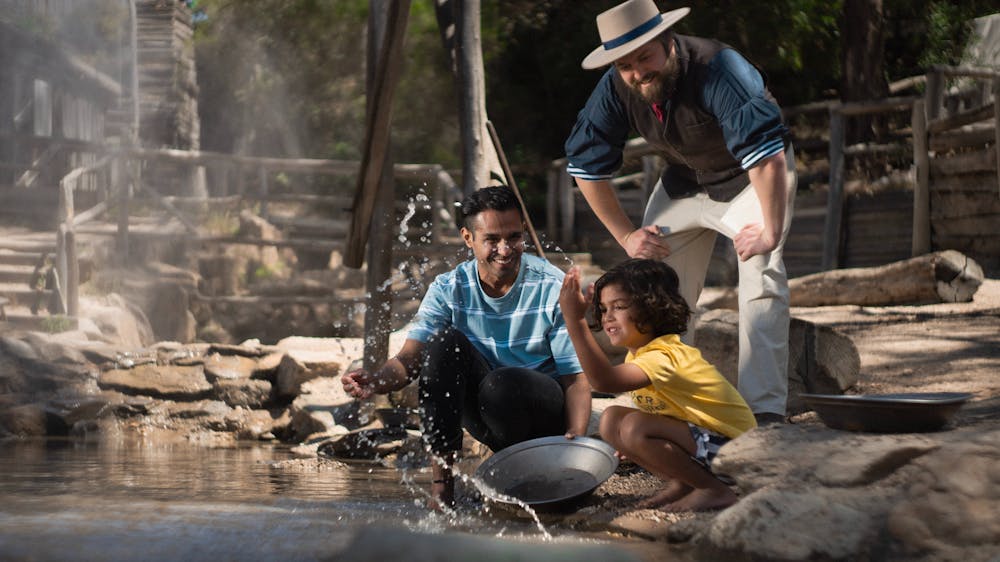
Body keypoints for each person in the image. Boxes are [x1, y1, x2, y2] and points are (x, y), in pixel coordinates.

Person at [564, 0, 797, 425]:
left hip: (751, 181)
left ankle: (763, 412)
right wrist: (627, 237)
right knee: (650, 284)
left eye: (644, 57)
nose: (637, 72)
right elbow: (584, 166)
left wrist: (771, 231)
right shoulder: (615, 87)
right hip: (684, 184)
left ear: (667, 40)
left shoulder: (719, 68)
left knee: (761, 275)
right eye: (625, 65)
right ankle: (666, 406)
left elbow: (766, 157)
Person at [341, 185, 591, 509]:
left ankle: (525, 468)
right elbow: (409, 359)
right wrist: (376, 381)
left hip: (540, 416)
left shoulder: (551, 285)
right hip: (488, 414)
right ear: (468, 238)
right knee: (443, 343)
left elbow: (576, 380)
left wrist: (576, 448)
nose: (505, 249)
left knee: (501, 384)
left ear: (524, 232)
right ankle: (443, 490)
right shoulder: (448, 287)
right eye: (492, 240)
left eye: (514, 237)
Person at [559, 258, 755, 511]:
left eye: (619, 306)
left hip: (738, 453)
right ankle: (684, 483)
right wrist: (634, 446)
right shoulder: (638, 355)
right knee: (611, 420)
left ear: (653, 308)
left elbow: (604, 381)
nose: (608, 317)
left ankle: (714, 490)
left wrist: (574, 320)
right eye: (604, 308)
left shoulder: (665, 355)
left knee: (634, 426)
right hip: (710, 447)